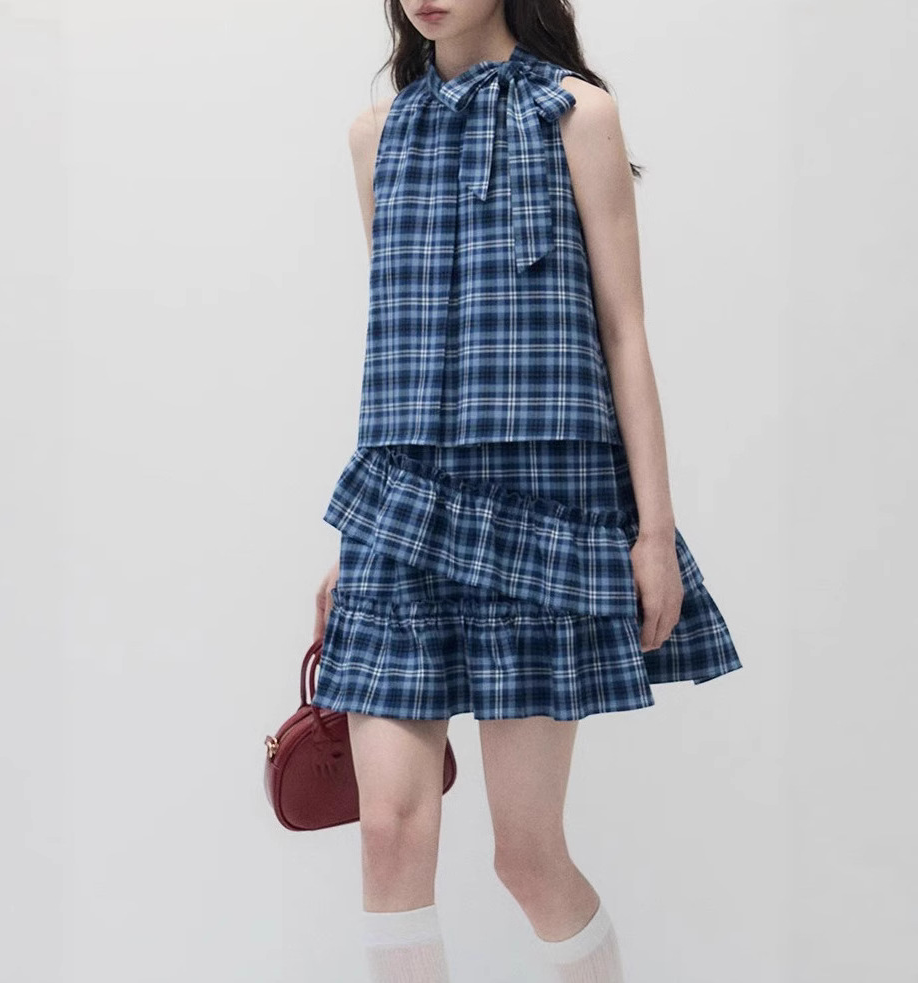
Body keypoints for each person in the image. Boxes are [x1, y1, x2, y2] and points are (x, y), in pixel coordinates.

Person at [311, 2, 743, 980]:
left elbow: (624, 330)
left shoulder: (577, 115)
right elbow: (396, 342)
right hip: (401, 506)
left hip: (541, 502)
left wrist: (653, 532)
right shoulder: (373, 134)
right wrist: (354, 542)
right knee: (387, 829)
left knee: (525, 854)